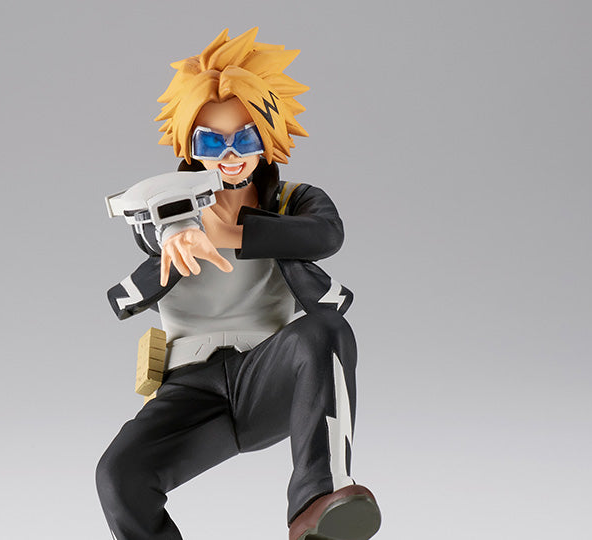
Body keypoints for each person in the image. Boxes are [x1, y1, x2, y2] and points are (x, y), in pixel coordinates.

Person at [97, 28, 381, 540]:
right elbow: (141, 212)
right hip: (191, 388)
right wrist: (177, 230)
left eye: (245, 138)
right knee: (120, 475)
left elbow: (326, 234)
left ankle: (319, 502)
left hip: (267, 375)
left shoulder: (293, 200)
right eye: (211, 140)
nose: (229, 154)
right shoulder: (166, 209)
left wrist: (232, 233)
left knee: (325, 329)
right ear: (189, 144)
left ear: (268, 135)